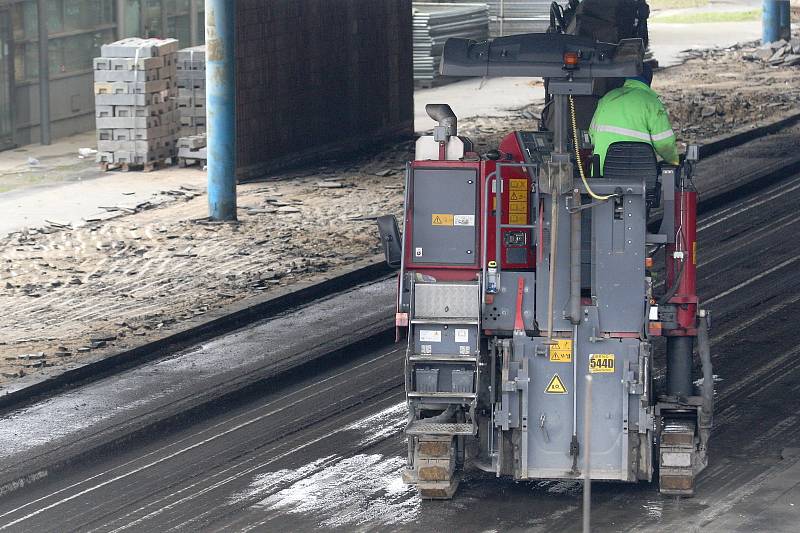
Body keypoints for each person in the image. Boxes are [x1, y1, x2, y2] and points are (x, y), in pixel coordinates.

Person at [589, 64, 679, 172]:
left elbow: (592, 135)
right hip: (638, 174)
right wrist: (674, 162)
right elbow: (664, 143)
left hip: (602, 172)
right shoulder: (651, 103)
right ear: (648, 80)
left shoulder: (607, 98)